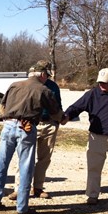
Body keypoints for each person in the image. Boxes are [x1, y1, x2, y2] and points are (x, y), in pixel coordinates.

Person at [0, 62, 66, 214]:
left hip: (8, 126)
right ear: (43, 75)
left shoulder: (15, 85)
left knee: (2, 163)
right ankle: (22, 207)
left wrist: (8, 119)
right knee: (26, 166)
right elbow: (55, 112)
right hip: (26, 128)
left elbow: (1, 106)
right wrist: (64, 118)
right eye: (47, 76)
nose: (47, 79)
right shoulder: (43, 89)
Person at [9, 60, 63, 200]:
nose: (46, 76)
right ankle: (18, 188)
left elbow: (57, 106)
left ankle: (38, 187)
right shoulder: (26, 85)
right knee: (24, 157)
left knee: (44, 158)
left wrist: (58, 120)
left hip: (49, 124)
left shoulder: (53, 87)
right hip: (30, 124)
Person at [63, 67, 108, 205]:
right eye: (100, 82)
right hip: (96, 137)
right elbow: (76, 107)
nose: (102, 85)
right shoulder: (92, 94)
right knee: (94, 168)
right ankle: (92, 195)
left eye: (105, 82)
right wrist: (66, 116)